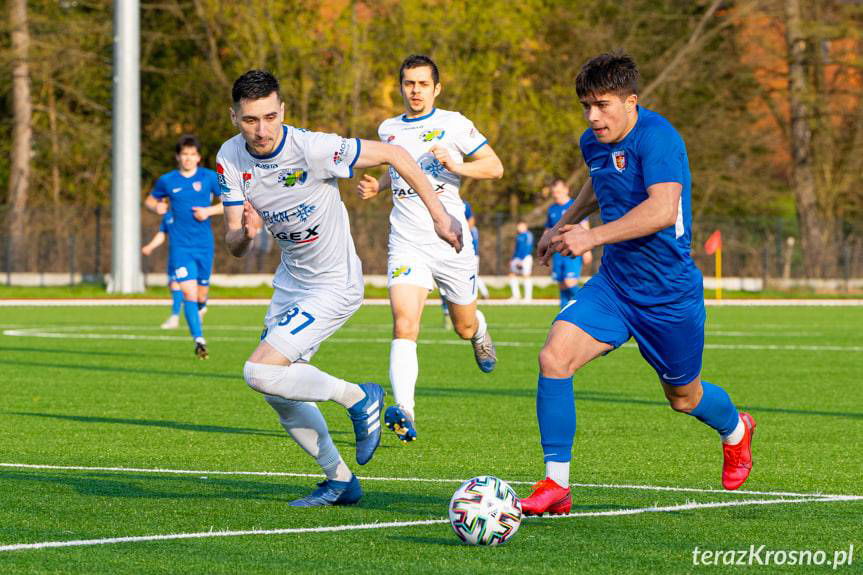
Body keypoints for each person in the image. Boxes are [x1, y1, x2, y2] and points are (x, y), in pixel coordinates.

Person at [520, 52, 755, 515]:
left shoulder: (660, 138)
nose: (593, 116)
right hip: (615, 285)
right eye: (586, 105)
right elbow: (597, 181)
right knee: (554, 356)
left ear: (631, 100)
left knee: (684, 398)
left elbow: (662, 210)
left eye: (602, 105)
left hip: (668, 293)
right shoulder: (593, 141)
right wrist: (563, 224)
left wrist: (591, 236)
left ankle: (737, 430)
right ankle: (556, 484)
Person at [219, 69, 462, 507]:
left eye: (270, 117)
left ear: (283, 112)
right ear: (234, 116)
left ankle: (358, 397)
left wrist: (440, 217)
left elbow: (397, 154)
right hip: (291, 283)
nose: (262, 130)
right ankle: (340, 480)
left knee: (258, 371)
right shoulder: (230, 157)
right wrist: (246, 235)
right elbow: (234, 243)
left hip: (335, 284)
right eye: (251, 119)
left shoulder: (313, 148)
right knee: (277, 389)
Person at [356, 54, 504, 444]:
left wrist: (458, 166)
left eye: (422, 84)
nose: (415, 90)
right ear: (401, 87)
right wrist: (379, 186)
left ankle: (480, 330)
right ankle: (405, 410)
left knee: (463, 325)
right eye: (409, 83)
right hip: (405, 241)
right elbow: (399, 171)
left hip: (450, 240)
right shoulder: (387, 129)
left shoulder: (454, 124)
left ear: (436, 88)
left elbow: (494, 167)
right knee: (405, 323)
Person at [144, 135, 223, 359]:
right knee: (187, 292)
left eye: (192, 154)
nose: (188, 158)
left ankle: (201, 306)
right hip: (180, 248)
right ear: (178, 157)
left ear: (198, 157)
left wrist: (208, 211)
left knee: (200, 295)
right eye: (184, 154)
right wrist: (156, 208)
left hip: (204, 245)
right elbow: (150, 201)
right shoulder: (167, 180)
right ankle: (199, 340)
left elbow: (229, 202)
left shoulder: (209, 178)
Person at [545, 178, 592, 308]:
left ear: (566, 190)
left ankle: (590, 304)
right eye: (554, 192)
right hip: (557, 252)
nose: (556, 195)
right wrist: (545, 250)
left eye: (559, 192)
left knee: (569, 282)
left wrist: (587, 250)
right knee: (562, 284)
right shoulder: (552, 209)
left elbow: (584, 227)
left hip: (573, 250)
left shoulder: (575, 206)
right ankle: (563, 315)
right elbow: (548, 232)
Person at [441, 200, 488, 328]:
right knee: (443, 285)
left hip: (464, 256)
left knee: (466, 327)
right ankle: (446, 314)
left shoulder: (470, 229)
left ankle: (473, 316)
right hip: (444, 253)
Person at [141, 213, 184, 329]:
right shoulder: (168, 216)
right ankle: (179, 315)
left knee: (178, 285)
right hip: (174, 255)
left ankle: (176, 317)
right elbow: (162, 234)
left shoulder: (190, 211)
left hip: (186, 253)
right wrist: (150, 246)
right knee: (174, 284)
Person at [508, 221, 534, 301]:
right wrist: (513, 259)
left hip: (526, 258)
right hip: (517, 258)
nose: (519, 228)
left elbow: (528, 247)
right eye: (518, 226)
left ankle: (528, 297)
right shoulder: (518, 236)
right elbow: (516, 249)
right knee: (512, 275)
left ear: (525, 226)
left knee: (526, 275)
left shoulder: (528, 235)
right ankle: (516, 296)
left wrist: (522, 260)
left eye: (521, 226)